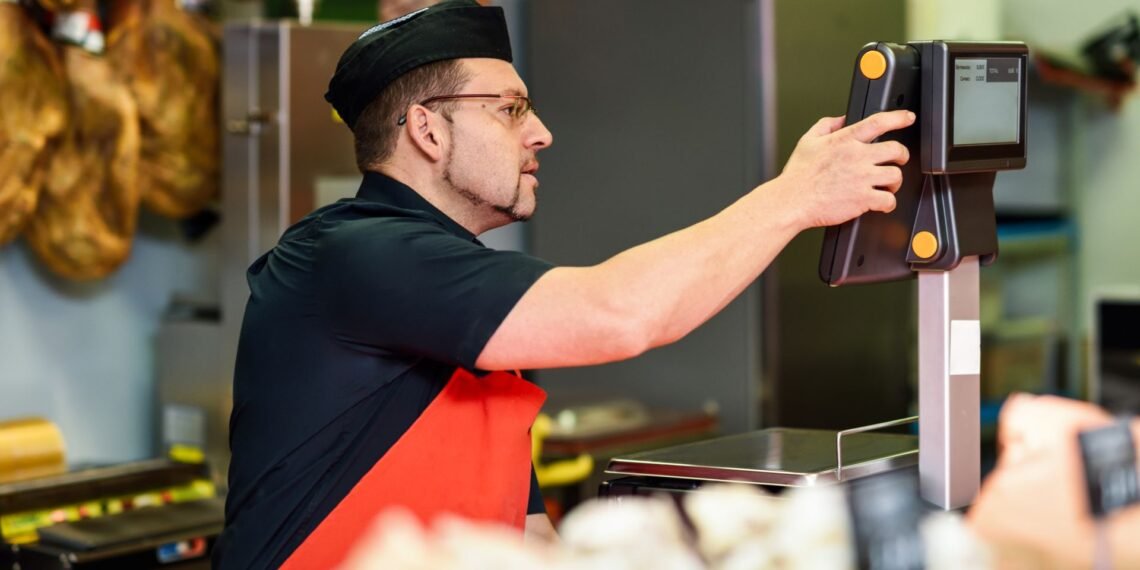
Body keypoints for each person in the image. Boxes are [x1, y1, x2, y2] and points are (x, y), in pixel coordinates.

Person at [212, 1, 914, 567]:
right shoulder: (352, 253)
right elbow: (619, 314)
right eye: (510, 109)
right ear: (426, 130)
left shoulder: (475, 301)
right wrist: (792, 199)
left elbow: (522, 534)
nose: (541, 133)